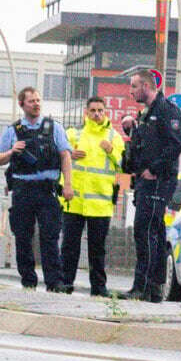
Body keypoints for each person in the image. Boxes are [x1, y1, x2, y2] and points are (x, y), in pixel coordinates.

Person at [119, 69, 181, 302]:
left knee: (145, 230)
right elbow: (145, 143)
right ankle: (154, 288)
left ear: (146, 86)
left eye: (134, 86)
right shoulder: (147, 113)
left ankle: (143, 286)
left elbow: (177, 144)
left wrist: (153, 169)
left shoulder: (167, 110)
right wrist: (131, 127)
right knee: (153, 231)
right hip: (145, 181)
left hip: (158, 180)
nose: (131, 91)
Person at [0, 87, 73, 292]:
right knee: (23, 236)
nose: (36, 104)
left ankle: (54, 282)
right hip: (22, 189)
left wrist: (68, 184)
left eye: (38, 100)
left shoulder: (54, 128)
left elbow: (65, 155)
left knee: (50, 236)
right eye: (31, 101)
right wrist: (12, 152)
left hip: (47, 190)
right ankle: (28, 281)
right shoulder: (12, 131)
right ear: (22, 104)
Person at [61, 96, 124, 297]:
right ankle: (65, 283)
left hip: (100, 202)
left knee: (97, 249)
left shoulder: (114, 136)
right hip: (75, 201)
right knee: (70, 246)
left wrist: (111, 151)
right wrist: (70, 153)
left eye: (100, 110)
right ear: (86, 113)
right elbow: (59, 157)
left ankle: (99, 288)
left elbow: (123, 164)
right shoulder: (73, 134)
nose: (96, 114)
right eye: (93, 110)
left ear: (105, 113)